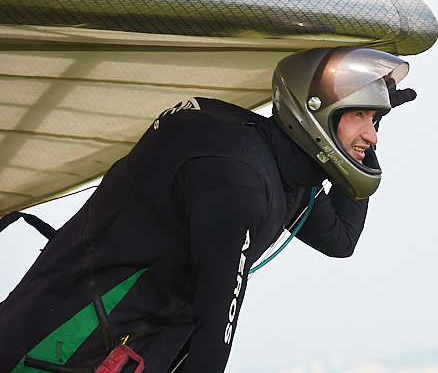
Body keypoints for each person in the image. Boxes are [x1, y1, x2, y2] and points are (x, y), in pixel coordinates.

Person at [0, 47, 416, 373]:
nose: (372, 135)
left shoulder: (283, 169)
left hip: (92, 339)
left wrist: (357, 143)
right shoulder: (238, 183)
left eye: (374, 120)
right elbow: (214, 329)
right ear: (314, 112)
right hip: (58, 350)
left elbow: (340, 239)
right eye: (358, 115)